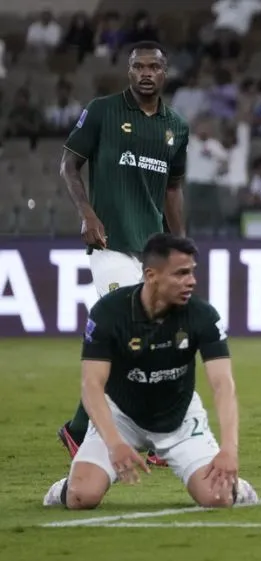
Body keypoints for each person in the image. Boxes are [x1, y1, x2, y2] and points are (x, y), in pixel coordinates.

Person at [43, 234, 258, 509]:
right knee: (81, 497)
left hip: (179, 418)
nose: (191, 281)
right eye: (180, 273)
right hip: (119, 416)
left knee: (217, 498)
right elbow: (91, 384)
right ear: (151, 275)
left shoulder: (202, 315)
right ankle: (66, 487)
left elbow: (222, 384)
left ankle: (237, 488)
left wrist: (229, 449)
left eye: (192, 272)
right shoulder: (109, 313)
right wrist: (114, 442)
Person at [58, 40, 190, 468]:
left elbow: (173, 188)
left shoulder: (176, 127)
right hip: (109, 244)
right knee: (131, 331)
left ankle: (85, 429)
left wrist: (180, 244)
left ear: (165, 72)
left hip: (151, 250)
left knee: (147, 342)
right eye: (138, 66)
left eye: (154, 66)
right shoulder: (103, 111)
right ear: (129, 71)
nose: (146, 73)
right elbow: (69, 164)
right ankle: (100, 433)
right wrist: (87, 213)